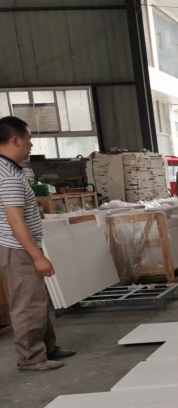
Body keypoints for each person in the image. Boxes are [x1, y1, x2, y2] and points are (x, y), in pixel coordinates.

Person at [0, 116, 75, 372]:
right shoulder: (8, 175)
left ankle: (47, 347)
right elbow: (15, 220)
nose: (31, 145)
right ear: (15, 140)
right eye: (29, 139)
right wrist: (37, 256)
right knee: (27, 303)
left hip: (20, 246)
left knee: (37, 298)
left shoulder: (10, 169)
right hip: (17, 248)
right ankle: (31, 357)